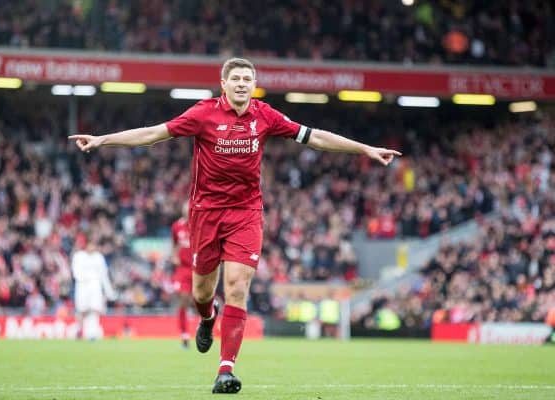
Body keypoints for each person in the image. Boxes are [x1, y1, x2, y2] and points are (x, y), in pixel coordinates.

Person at [69, 57, 401, 393]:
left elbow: (314, 137)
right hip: (205, 215)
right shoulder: (203, 114)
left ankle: (225, 370)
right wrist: (102, 140)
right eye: (236, 78)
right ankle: (207, 317)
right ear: (223, 83)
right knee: (201, 293)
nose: (242, 83)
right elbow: (154, 133)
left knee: (238, 287)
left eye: (248, 78)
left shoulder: (265, 115)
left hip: (246, 214)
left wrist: (365, 149)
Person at [71, 235, 116, 340]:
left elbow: (104, 275)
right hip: (82, 286)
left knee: (95, 309)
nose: (92, 247)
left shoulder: (98, 257)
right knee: (82, 310)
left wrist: (109, 291)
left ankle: (92, 333)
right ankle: (79, 330)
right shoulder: (79, 256)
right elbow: (76, 273)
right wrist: (87, 278)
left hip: (95, 286)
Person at [171, 202, 193, 348]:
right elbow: (174, 244)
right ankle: (184, 335)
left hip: (198, 269)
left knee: (200, 301)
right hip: (183, 269)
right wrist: (174, 256)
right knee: (183, 298)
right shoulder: (176, 226)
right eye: (186, 208)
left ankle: (205, 329)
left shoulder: (200, 226)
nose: (188, 211)